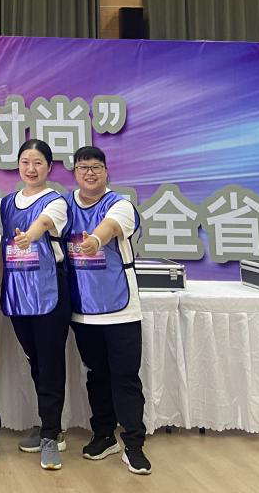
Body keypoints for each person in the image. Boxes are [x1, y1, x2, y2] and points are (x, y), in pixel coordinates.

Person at [66, 145, 151, 476]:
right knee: (96, 376)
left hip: (120, 309)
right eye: (83, 167)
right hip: (83, 309)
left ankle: (134, 444)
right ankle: (103, 435)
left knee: (125, 377)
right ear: (75, 172)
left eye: (96, 167)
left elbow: (111, 227)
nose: (89, 173)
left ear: (106, 172)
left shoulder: (120, 204)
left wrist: (95, 241)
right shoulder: (66, 206)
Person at [0, 138, 69, 471]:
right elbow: (3, 248)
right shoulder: (7, 203)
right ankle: (49, 423)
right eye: (25, 162)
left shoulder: (56, 201)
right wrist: (0, 289)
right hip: (17, 292)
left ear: (49, 167)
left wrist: (30, 235)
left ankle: (51, 436)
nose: (31, 168)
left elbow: (43, 224)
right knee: (35, 362)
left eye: (38, 162)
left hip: (49, 291)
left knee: (50, 362)